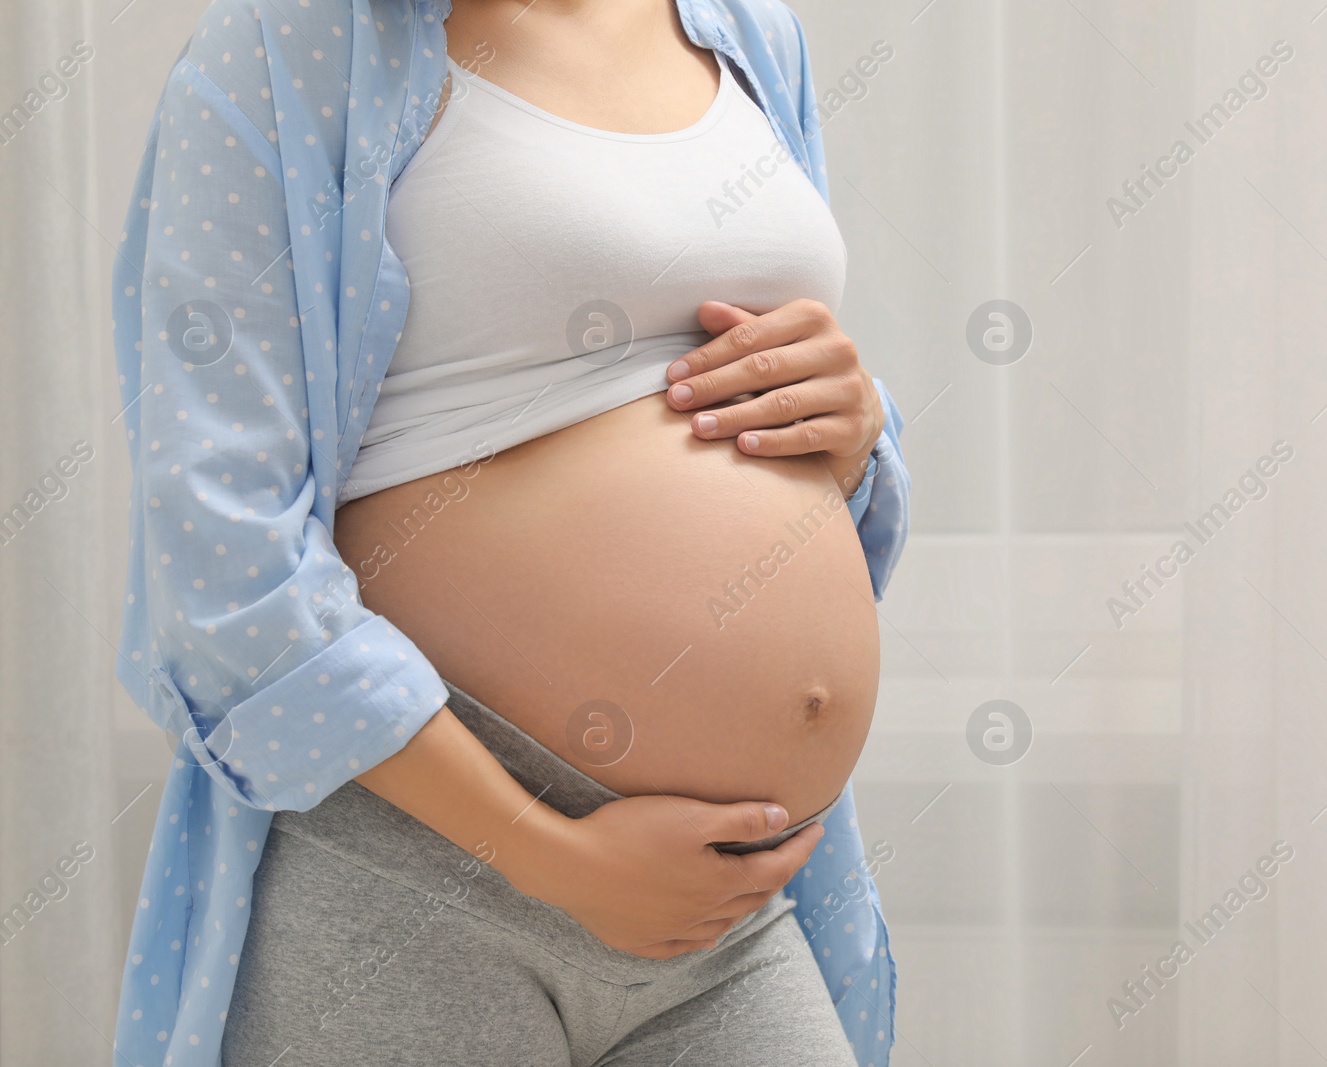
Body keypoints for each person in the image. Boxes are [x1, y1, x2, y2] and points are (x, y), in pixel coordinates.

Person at [107, 1, 910, 1065]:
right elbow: (220, 555)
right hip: (416, 879)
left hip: (725, 904)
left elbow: (775, 432)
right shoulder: (288, 45)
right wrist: (546, 852)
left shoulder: (749, 32)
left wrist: (854, 432)